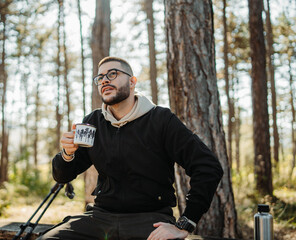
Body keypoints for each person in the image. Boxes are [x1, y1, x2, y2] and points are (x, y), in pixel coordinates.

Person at [39, 56, 223, 240]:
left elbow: (208, 167)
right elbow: (62, 176)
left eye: (113, 74)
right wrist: (67, 154)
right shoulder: (93, 123)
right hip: (101, 218)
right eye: (100, 77)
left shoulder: (161, 120)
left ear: (132, 81)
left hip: (150, 221)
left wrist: (185, 223)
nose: (104, 80)